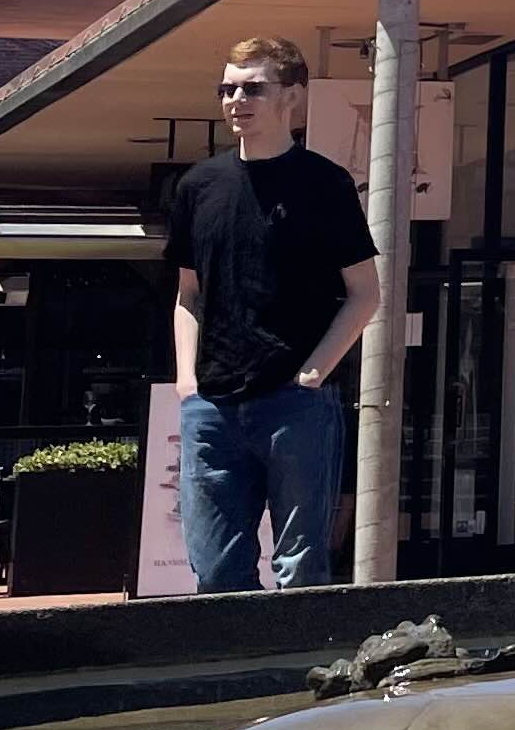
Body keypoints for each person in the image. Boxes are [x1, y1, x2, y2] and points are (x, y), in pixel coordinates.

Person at [162, 36, 379, 591]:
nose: (237, 99)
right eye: (228, 88)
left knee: (301, 569)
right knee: (214, 571)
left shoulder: (323, 183)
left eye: (253, 87)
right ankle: (236, 679)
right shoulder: (198, 186)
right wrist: (187, 382)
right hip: (210, 405)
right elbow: (189, 294)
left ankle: (295, 675)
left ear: (293, 97)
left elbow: (364, 292)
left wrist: (312, 376)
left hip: (295, 405)